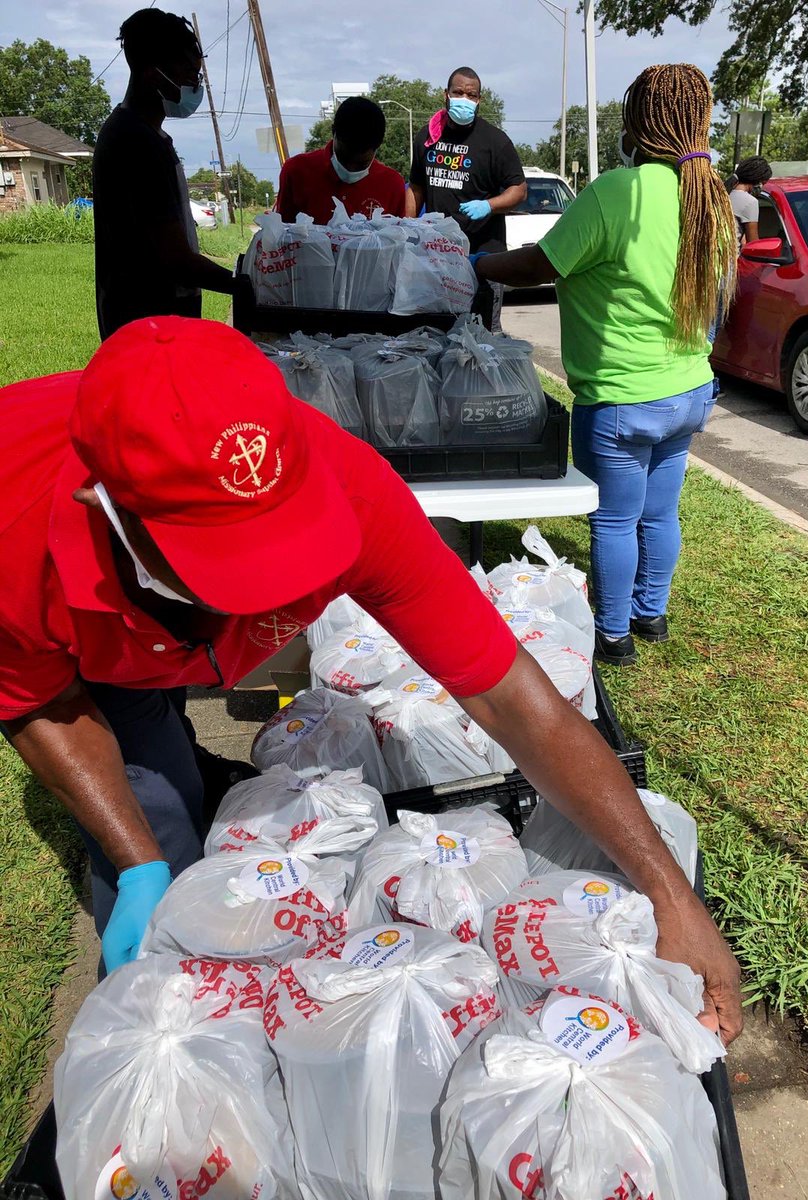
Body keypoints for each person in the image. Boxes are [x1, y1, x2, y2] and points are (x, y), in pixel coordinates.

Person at [0, 316, 741, 1043]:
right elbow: (40, 701)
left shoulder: (349, 487)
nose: (266, 596)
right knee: (158, 820)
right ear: (110, 513)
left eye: (283, 549)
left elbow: (511, 697)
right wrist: (138, 866)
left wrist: (670, 895)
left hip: (149, 617)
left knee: (176, 782)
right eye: (227, 568)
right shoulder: (13, 530)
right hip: (82, 641)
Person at [473, 64, 737, 665]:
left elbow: (543, 265)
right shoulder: (710, 196)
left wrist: (480, 265)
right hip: (689, 389)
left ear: (640, 121)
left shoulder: (618, 191)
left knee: (615, 520)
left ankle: (613, 635)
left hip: (622, 396)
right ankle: (652, 615)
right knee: (660, 512)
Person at [92, 9, 248, 340]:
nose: (196, 84)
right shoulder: (135, 142)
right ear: (153, 74)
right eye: (190, 73)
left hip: (150, 319)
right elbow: (174, 258)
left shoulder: (145, 134)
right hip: (147, 324)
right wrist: (243, 286)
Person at [407, 67, 526, 329]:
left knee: (484, 336)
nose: (464, 99)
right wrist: (408, 229)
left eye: (471, 95)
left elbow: (519, 190)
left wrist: (489, 205)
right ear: (446, 95)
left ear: (479, 100)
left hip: (484, 259)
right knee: (436, 330)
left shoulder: (495, 141)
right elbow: (416, 188)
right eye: (458, 92)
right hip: (438, 256)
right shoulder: (427, 137)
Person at [275, 96, 407, 226]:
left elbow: (398, 242)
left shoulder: (392, 184)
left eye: (361, 164)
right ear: (334, 132)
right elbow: (281, 236)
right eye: (345, 159)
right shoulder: (297, 172)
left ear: (377, 146)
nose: (351, 169)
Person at [728, 155, 772, 244]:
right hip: (732, 257)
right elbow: (753, 243)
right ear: (757, 180)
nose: (761, 187)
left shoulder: (724, 194)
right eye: (762, 183)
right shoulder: (750, 202)